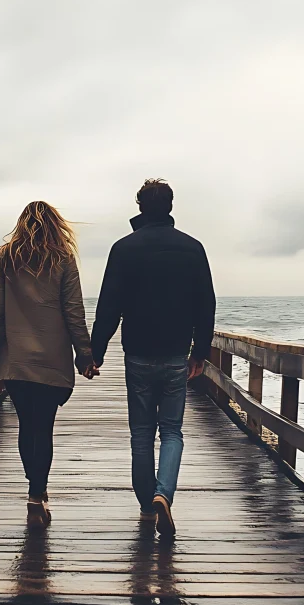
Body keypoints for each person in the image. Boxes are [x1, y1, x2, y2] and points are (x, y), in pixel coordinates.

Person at [90, 179, 216, 537]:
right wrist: (200, 352)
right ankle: (165, 493)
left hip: (139, 354)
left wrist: (93, 354)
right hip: (177, 353)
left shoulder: (124, 248)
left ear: (141, 207)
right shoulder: (193, 248)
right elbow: (206, 304)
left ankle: (148, 502)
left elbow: (108, 307)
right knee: (172, 430)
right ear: (171, 206)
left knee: (142, 432)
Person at [0, 201, 96, 530]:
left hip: (16, 361)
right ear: (55, 224)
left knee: (25, 426)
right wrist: (84, 354)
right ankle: (37, 494)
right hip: (51, 360)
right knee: (43, 427)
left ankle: (34, 493)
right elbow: (74, 311)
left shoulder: (6, 257)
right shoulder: (62, 258)